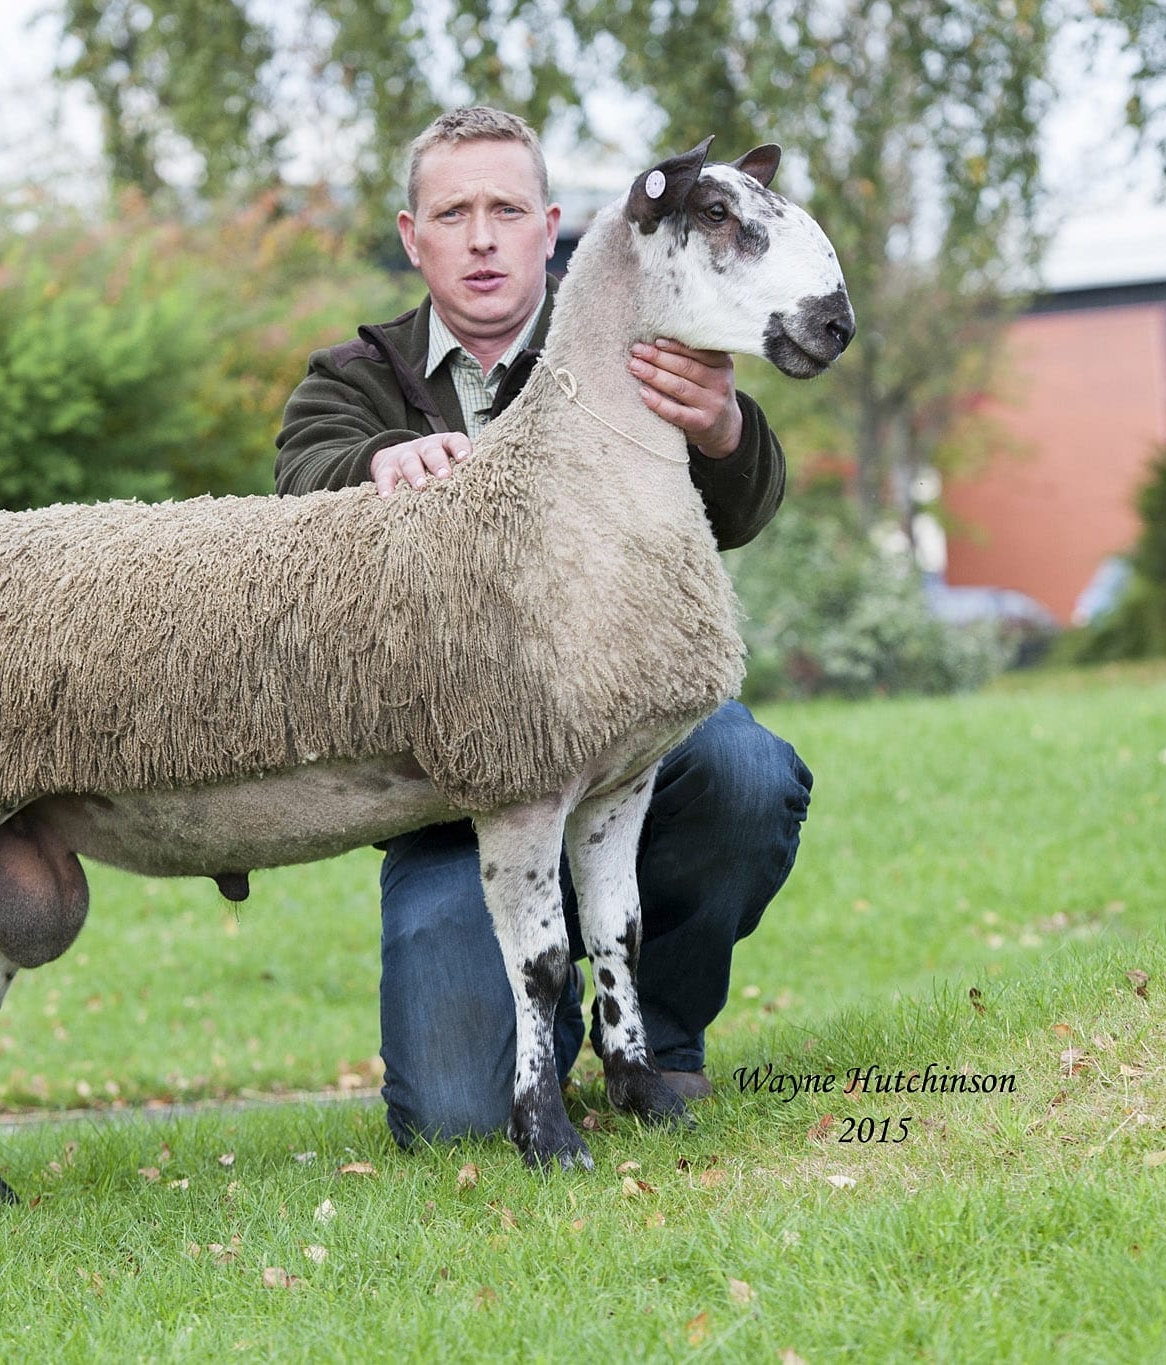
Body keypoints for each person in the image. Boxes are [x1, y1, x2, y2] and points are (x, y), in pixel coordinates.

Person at [274, 106, 813, 1148]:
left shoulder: (632, 331)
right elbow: (302, 479)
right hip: (449, 792)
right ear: (410, 234)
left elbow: (739, 513)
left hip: (622, 733)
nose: (481, 236)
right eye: (453, 211)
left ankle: (651, 1043)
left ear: (549, 226)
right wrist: (373, 463)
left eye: (506, 210)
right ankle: (535, 1015)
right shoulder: (353, 378)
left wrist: (723, 424)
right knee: (453, 1122)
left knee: (744, 771)